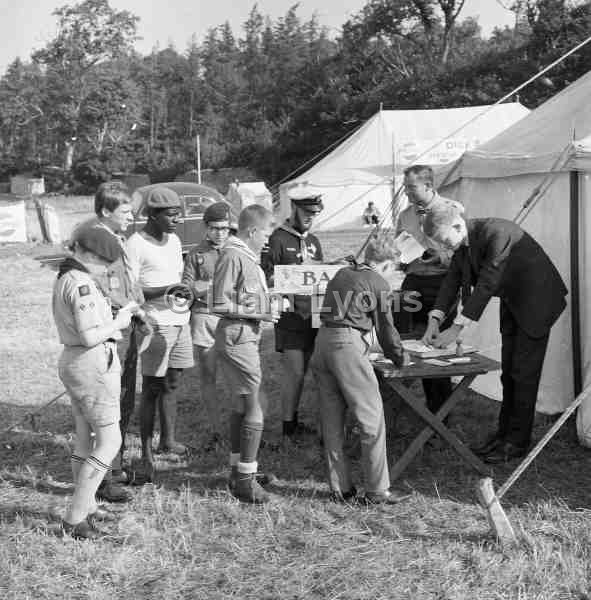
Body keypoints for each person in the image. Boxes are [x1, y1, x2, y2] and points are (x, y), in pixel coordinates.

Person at [422, 205, 567, 463]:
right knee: (509, 373)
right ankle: (504, 435)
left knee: (523, 374)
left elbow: (488, 283)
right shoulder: (462, 243)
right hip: (514, 302)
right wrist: (434, 321)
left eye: (445, 241)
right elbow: (450, 283)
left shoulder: (497, 233)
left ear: (457, 226)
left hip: (537, 303)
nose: (445, 249)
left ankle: (517, 443)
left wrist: (456, 329)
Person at [310, 231, 407, 504]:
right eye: (395, 270)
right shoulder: (378, 282)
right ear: (387, 264)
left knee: (331, 421)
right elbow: (386, 330)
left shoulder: (343, 273)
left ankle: (340, 487)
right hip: (347, 346)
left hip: (322, 343)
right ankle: (377, 489)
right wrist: (400, 358)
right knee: (371, 419)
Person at [52, 222, 135, 539]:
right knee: (110, 441)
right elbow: (88, 335)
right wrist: (119, 322)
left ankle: (85, 506)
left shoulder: (67, 277)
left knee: (86, 438)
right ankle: (74, 519)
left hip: (76, 362)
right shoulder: (82, 283)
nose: (104, 268)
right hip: (91, 363)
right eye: (102, 262)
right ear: (89, 254)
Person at [84, 181, 148, 502]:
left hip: (127, 326)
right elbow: (102, 289)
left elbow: (128, 283)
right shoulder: (97, 242)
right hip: (113, 331)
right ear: (106, 211)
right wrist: (130, 308)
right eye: (124, 211)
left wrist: (139, 310)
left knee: (123, 399)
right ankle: (105, 476)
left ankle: (115, 467)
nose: (131, 216)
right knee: (111, 405)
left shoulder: (115, 240)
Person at [126, 187, 194, 481]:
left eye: (179, 213)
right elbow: (131, 291)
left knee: (173, 381)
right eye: (171, 214)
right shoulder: (135, 244)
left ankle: (168, 439)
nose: (177, 219)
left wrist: (183, 291)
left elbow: (176, 278)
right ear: (152, 215)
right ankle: (146, 451)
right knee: (152, 387)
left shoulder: (175, 240)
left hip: (180, 320)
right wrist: (166, 290)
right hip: (154, 323)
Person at [212, 204, 279, 503]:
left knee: (243, 404)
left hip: (244, 336)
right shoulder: (233, 256)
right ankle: (245, 481)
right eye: (266, 232)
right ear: (252, 231)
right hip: (238, 336)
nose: (268, 239)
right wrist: (261, 313)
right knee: (256, 405)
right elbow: (218, 302)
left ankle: (239, 470)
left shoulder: (244, 256)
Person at [396, 165, 463, 417]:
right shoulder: (405, 215)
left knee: (437, 345)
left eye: (411, 187)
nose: (406, 192)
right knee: (414, 341)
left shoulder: (452, 209)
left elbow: (461, 250)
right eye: (405, 187)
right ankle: (416, 404)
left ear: (429, 186)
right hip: (413, 283)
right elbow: (398, 248)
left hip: (443, 283)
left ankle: (441, 413)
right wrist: (399, 257)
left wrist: (439, 257)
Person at [261, 184, 324, 440]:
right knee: (295, 372)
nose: (311, 217)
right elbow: (264, 278)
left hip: (315, 314)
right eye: (307, 212)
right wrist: (295, 274)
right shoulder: (277, 239)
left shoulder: (314, 240)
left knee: (314, 371)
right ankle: (288, 426)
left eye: (315, 213)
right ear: (294, 208)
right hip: (289, 317)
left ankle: (302, 422)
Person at [182, 202, 232, 450]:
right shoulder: (195, 254)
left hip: (233, 317)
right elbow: (187, 289)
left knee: (238, 375)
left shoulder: (236, 250)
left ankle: (242, 428)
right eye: (215, 228)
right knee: (209, 376)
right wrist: (213, 286)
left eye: (224, 228)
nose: (220, 234)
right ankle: (217, 430)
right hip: (204, 318)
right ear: (206, 227)